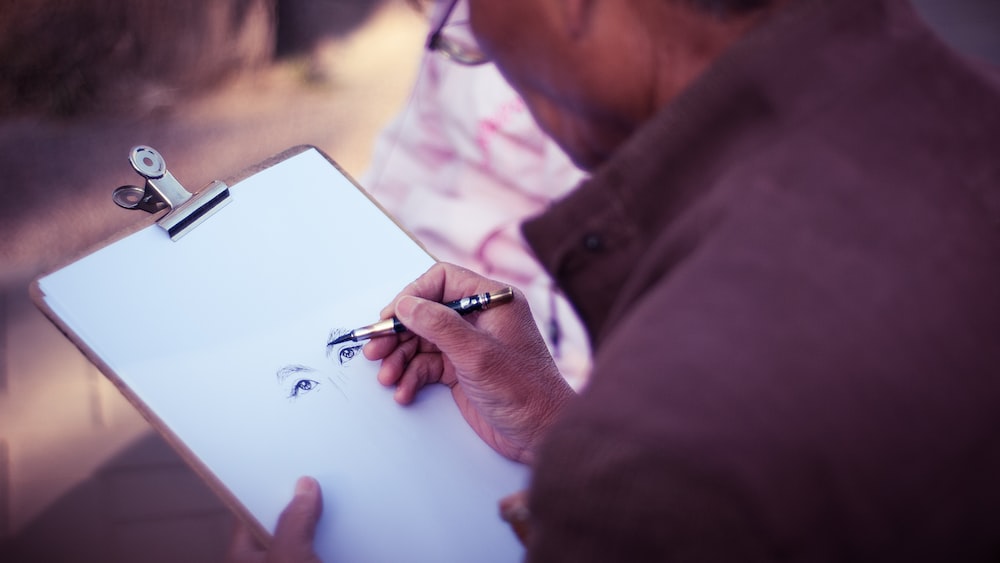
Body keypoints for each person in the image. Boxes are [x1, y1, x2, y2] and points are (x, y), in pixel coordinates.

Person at [230, 0, 1000, 560]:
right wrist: (556, 420)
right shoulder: (965, 101)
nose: (475, 44)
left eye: (463, 16)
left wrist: (604, 460)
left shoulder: (656, 452)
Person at [361, 0, 592, 389]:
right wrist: (361, 231)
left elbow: (592, 243)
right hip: (420, 263)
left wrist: (559, 385)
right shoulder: (451, 20)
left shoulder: (577, 61)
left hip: (520, 310)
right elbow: (411, 147)